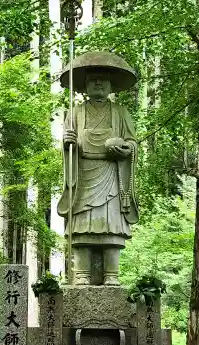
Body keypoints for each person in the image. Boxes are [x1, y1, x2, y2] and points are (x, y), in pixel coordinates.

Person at [58, 51, 139, 286]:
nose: (97, 84)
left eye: (102, 80)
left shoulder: (121, 112)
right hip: (83, 176)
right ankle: (81, 274)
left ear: (110, 85)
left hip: (111, 173)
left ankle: (112, 274)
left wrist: (125, 149)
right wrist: (69, 144)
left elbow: (133, 142)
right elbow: (67, 144)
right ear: (84, 85)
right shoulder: (75, 113)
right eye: (92, 80)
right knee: (82, 227)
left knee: (111, 226)